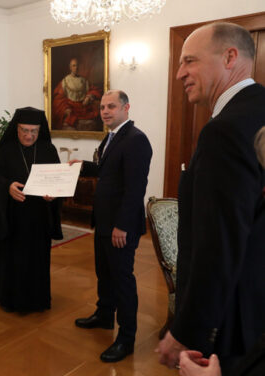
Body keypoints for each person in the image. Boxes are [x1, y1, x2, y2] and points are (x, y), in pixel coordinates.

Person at [156, 22, 265, 374]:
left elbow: (217, 244)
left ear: (230, 57)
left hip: (234, 315)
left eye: (189, 61)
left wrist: (186, 331)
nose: (179, 73)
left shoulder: (224, 131)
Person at [72, 90, 152, 362]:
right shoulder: (111, 136)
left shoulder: (136, 140)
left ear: (126, 107)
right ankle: (104, 315)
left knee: (122, 280)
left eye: (112, 106)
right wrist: (82, 166)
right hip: (103, 221)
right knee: (104, 273)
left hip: (120, 226)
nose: (105, 111)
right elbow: (107, 171)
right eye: (103, 107)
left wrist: (122, 226)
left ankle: (126, 338)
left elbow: (135, 189)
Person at [0, 106, 63, 312]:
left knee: (37, 258)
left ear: (40, 130)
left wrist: (53, 194)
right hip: (13, 215)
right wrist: (8, 186)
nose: (29, 135)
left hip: (39, 216)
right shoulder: (6, 149)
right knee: (13, 258)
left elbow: (58, 179)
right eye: (24, 130)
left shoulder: (48, 149)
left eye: (34, 131)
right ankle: (9, 299)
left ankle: (37, 299)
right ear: (16, 129)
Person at [52, 58, 102, 131]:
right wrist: (66, 108)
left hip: (83, 107)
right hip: (71, 108)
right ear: (70, 67)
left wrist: (88, 97)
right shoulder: (65, 81)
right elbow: (58, 97)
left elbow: (93, 90)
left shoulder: (84, 80)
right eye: (74, 66)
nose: (76, 68)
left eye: (77, 66)